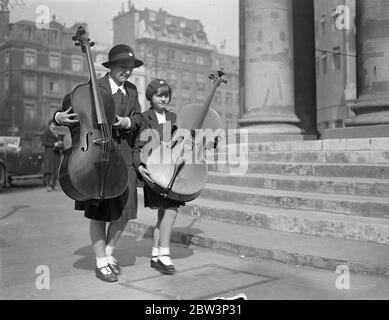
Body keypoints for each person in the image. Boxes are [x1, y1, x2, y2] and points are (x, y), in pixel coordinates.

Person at [53, 44, 143, 282]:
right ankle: (101, 262)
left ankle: (109, 254)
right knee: (99, 213)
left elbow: (138, 119)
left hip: (122, 157)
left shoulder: (132, 91)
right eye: (123, 67)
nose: (127, 71)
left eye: (130, 67)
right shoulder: (95, 88)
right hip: (96, 158)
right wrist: (58, 117)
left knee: (124, 212)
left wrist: (126, 122)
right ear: (111, 67)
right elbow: (69, 111)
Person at [133, 79, 185, 275]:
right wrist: (139, 166)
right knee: (170, 211)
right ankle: (164, 255)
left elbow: (184, 139)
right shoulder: (145, 118)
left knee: (164, 214)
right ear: (150, 97)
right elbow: (137, 148)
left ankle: (156, 256)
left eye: (166, 95)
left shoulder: (174, 117)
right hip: (153, 174)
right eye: (159, 95)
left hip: (171, 173)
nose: (163, 98)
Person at [41, 119, 63, 192]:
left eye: (55, 124)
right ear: (50, 125)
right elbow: (44, 142)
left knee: (55, 169)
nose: (54, 125)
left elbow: (59, 140)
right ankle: (48, 185)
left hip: (56, 153)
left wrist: (59, 143)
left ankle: (54, 185)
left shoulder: (56, 132)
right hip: (49, 153)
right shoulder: (47, 132)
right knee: (49, 169)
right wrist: (53, 144)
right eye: (53, 124)